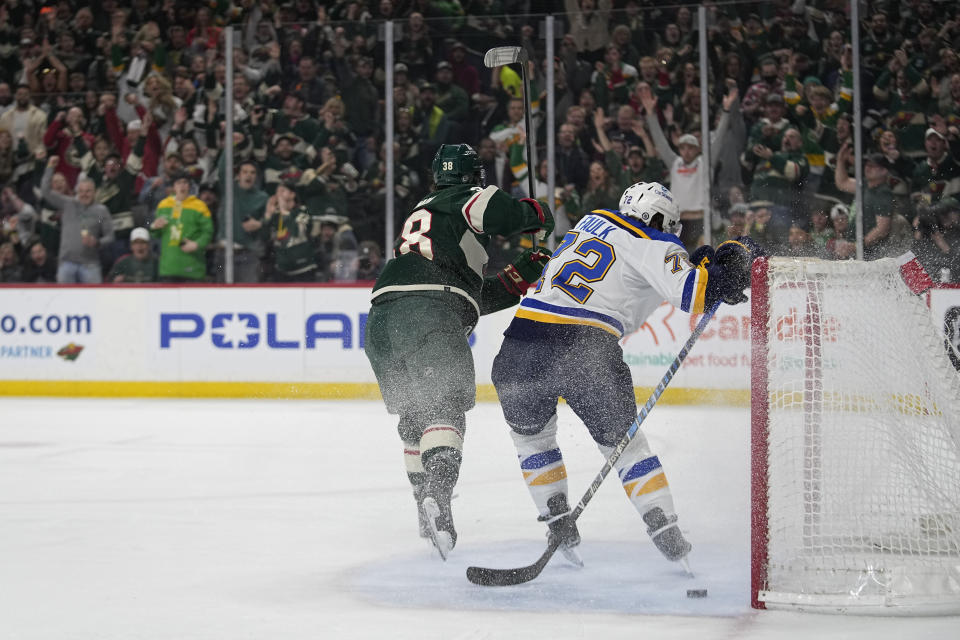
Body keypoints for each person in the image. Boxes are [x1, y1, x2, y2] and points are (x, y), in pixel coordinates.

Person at [490, 181, 760, 568]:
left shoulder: (589, 221)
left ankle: (557, 522)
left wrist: (701, 264)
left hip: (519, 347)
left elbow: (638, 274)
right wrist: (731, 273)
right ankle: (664, 528)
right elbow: (694, 294)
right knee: (627, 449)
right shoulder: (655, 242)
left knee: (532, 442)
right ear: (660, 219)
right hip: (585, 350)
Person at [364, 143, 554, 559]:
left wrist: (521, 274)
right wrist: (533, 215)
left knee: (415, 417)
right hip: (429, 311)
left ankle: (423, 507)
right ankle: (438, 494)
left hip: (382, 320)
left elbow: (468, 297)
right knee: (446, 410)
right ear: (474, 175)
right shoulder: (465, 197)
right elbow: (498, 210)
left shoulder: (430, 215)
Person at [41, 156, 114, 283]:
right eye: (81, 191)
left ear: (95, 192)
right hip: (66, 264)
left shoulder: (101, 211)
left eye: (88, 191)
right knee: (64, 302)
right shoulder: (68, 203)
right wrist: (50, 167)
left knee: (94, 301)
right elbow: (45, 191)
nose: (84, 194)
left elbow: (110, 236)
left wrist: (97, 242)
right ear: (76, 192)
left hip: (91, 265)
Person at [150, 172, 213, 282]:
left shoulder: (200, 206)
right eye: (179, 183)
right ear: (174, 187)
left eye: (185, 183)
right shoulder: (163, 205)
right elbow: (156, 233)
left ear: (189, 186)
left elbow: (209, 231)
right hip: (168, 268)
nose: (182, 186)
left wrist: (197, 244)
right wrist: (154, 226)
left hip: (193, 267)